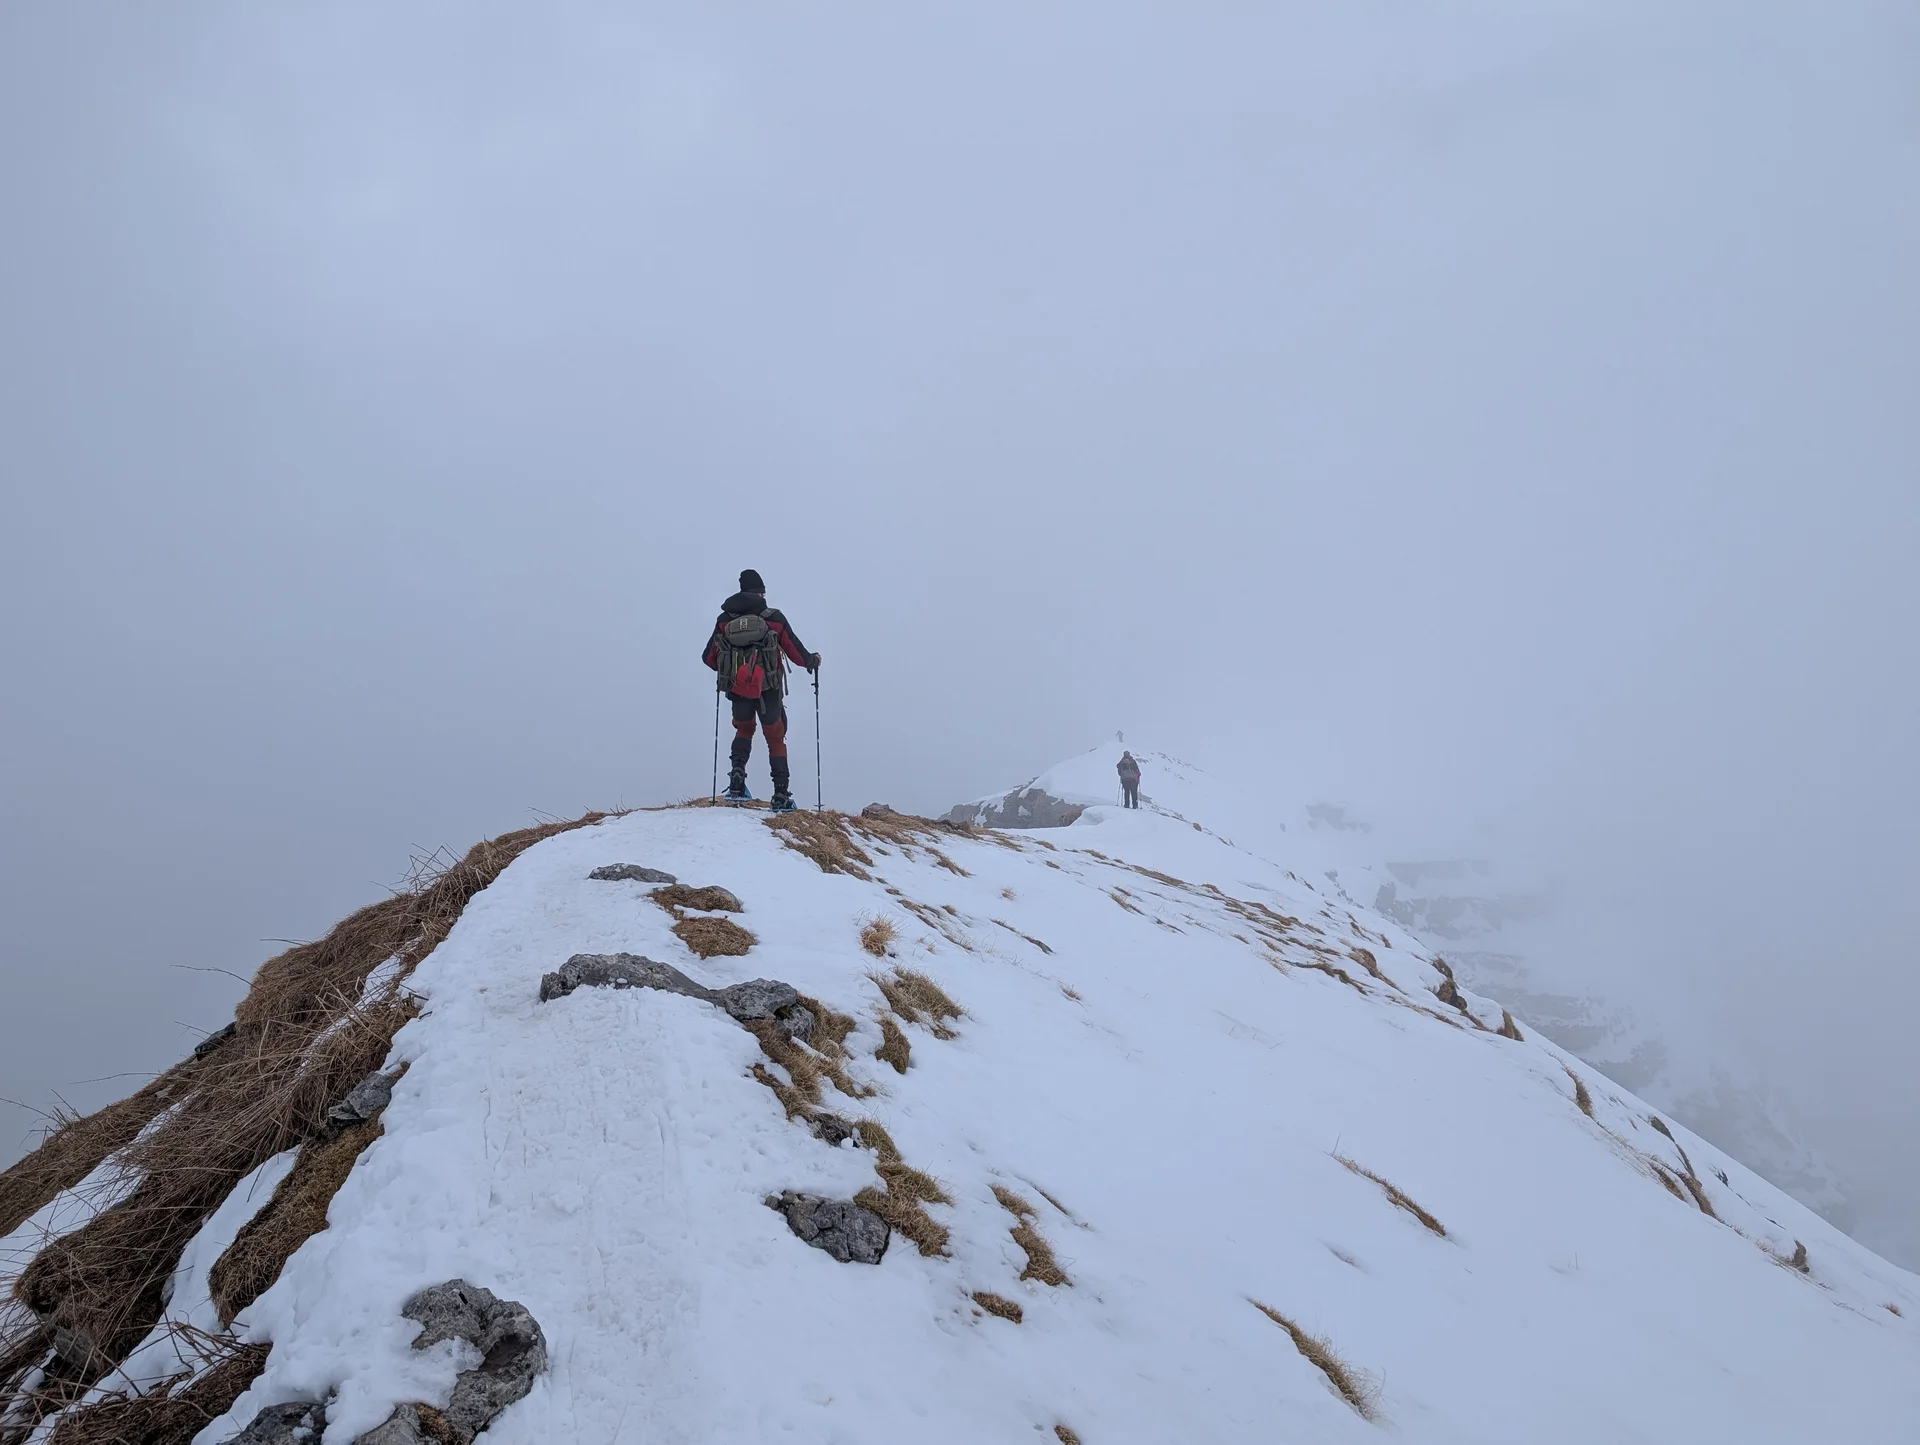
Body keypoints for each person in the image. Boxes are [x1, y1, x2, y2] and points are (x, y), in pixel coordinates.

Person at [702, 569, 820, 810]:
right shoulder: (773, 617)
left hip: (738, 689)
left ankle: (736, 783)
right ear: (762, 593)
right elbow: (795, 651)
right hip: (769, 689)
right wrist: (812, 661)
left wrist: (737, 669)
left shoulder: (725, 620)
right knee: (775, 737)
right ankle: (781, 796)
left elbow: (709, 658)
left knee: (743, 730)